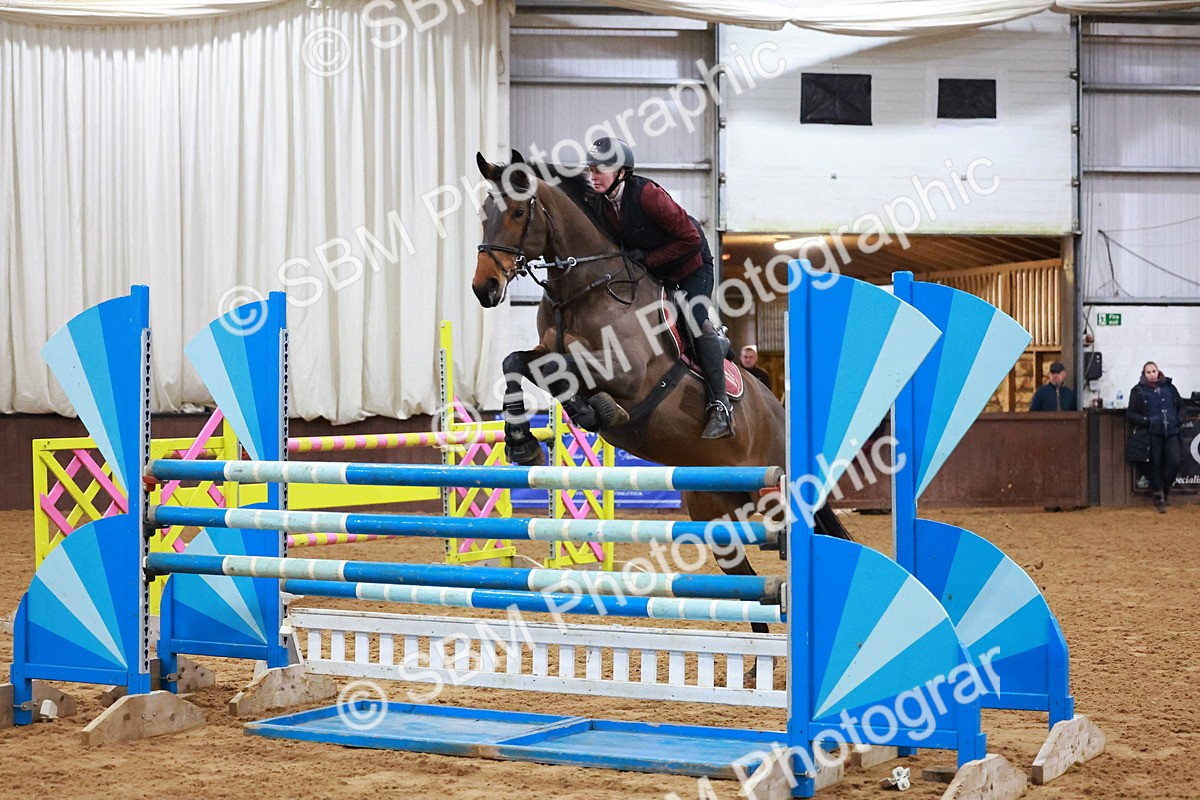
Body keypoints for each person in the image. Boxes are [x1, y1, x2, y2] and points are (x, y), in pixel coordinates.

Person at [585, 136, 732, 439]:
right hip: (655, 273)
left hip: (692, 267)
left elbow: (690, 240)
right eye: (591, 169)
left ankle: (720, 404)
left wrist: (648, 258)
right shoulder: (600, 204)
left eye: (600, 169)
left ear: (622, 172)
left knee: (693, 319)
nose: (593, 175)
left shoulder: (648, 195)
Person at [1126, 361, 1186, 513]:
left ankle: (1165, 489)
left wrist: (1178, 420)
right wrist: (1147, 421)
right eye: (1148, 372)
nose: (1152, 374)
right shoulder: (1138, 391)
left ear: (1158, 372)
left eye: (1154, 371)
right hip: (1151, 433)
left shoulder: (1170, 388)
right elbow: (1131, 413)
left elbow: (1181, 406)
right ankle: (1158, 495)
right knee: (1155, 464)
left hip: (1171, 431)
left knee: (1175, 461)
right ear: (1144, 374)